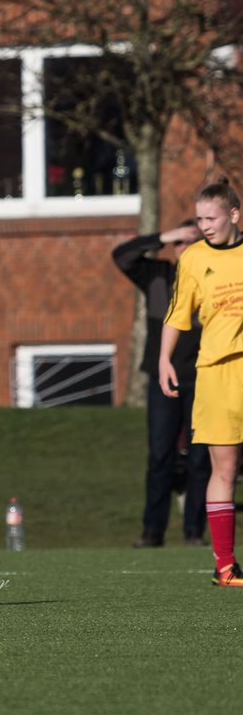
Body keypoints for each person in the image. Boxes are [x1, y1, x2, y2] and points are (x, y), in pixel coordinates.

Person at [161, 178, 243, 586]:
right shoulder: (192, 259)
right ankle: (225, 566)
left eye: (211, 217)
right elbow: (177, 314)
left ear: (234, 214)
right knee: (223, 468)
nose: (205, 225)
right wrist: (164, 360)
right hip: (215, 373)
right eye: (199, 219)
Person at [113, 223, 210, 547]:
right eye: (180, 243)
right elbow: (122, 255)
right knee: (160, 456)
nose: (186, 248)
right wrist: (164, 237)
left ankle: (194, 532)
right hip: (163, 380)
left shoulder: (213, 277)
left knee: (200, 459)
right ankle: (152, 531)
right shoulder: (157, 275)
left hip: (204, 379)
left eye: (192, 242)